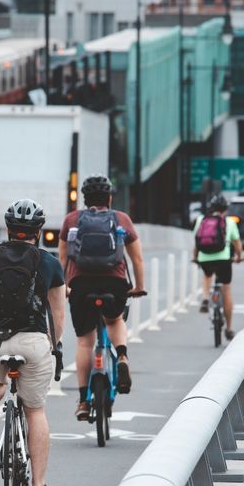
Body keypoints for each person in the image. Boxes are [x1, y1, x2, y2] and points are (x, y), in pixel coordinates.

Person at [0, 199, 65, 486]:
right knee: (35, 410)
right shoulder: (49, 263)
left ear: (8, 229)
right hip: (33, 342)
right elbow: (58, 315)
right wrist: (54, 345)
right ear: (38, 231)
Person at [58, 175, 145, 422]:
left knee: (85, 341)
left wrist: (64, 287)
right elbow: (137, 258)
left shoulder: (72, 220)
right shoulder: (121, 219)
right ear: (109, 198)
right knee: (114, 319)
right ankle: (123, 357)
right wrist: (139, 286)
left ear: (84, 199)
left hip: (81, 284)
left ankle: (84, 400)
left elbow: (62, 259)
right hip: (114, 282)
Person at [194, 193, 244, 340]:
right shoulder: (229, 222)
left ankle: (205, 297)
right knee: (226, 289)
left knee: (207, 275)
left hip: (205, 257)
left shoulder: (200, 220)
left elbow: (196, 242)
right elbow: (237, 244)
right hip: (224, 259)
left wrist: (195, 258)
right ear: (225, 209)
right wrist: (239, 257)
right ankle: (228, 329)